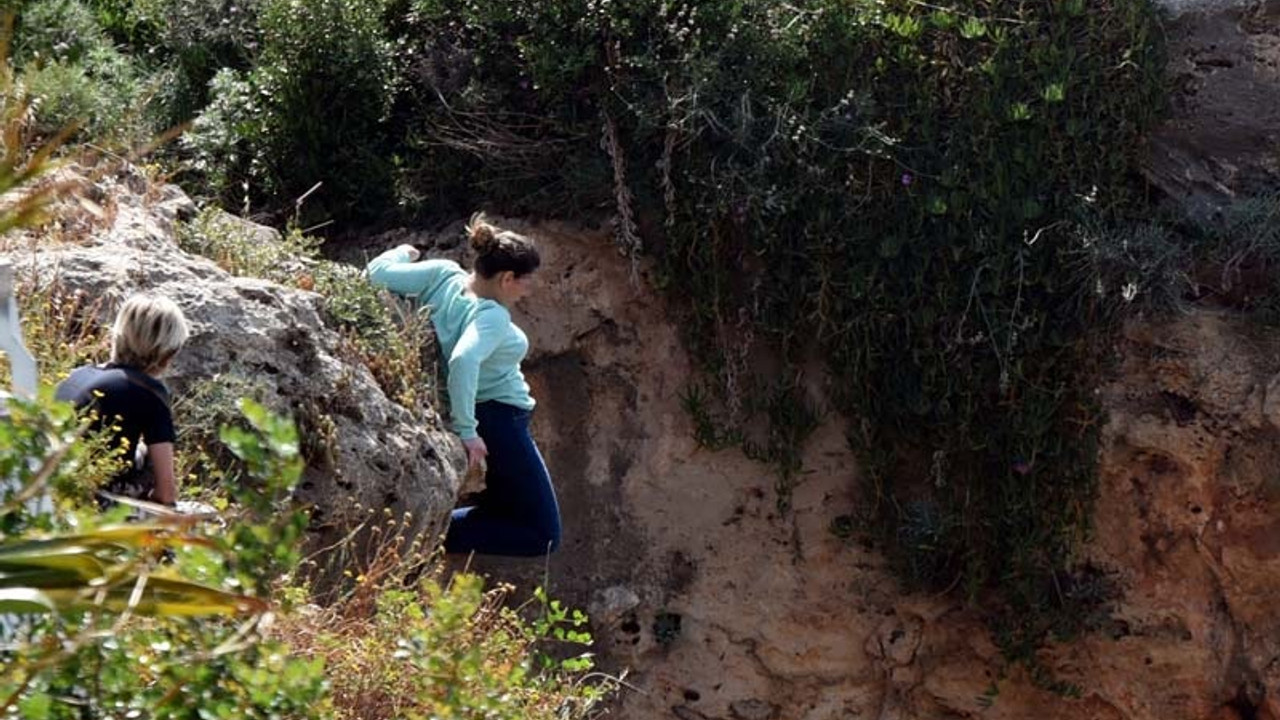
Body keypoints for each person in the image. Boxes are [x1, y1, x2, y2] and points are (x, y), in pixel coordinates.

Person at [366, 214, 561, 557]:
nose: (529, 289)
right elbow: (463, 359)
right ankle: (415, 535)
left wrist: (402, 253)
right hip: (500, 421)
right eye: (526, 281)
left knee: (506, 510)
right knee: (542, 534)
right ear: (507, 278)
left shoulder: (443, 275)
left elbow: (375, 273)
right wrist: (467, 430)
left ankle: (420, 531)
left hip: (497, 419)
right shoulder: (492, 316)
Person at [55, 293, 189, 507]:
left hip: (48, 491)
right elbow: (167, 494)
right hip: (91, 503)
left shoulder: (77, 375)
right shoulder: (148, 390)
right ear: (166, 353)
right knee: (147, 456)